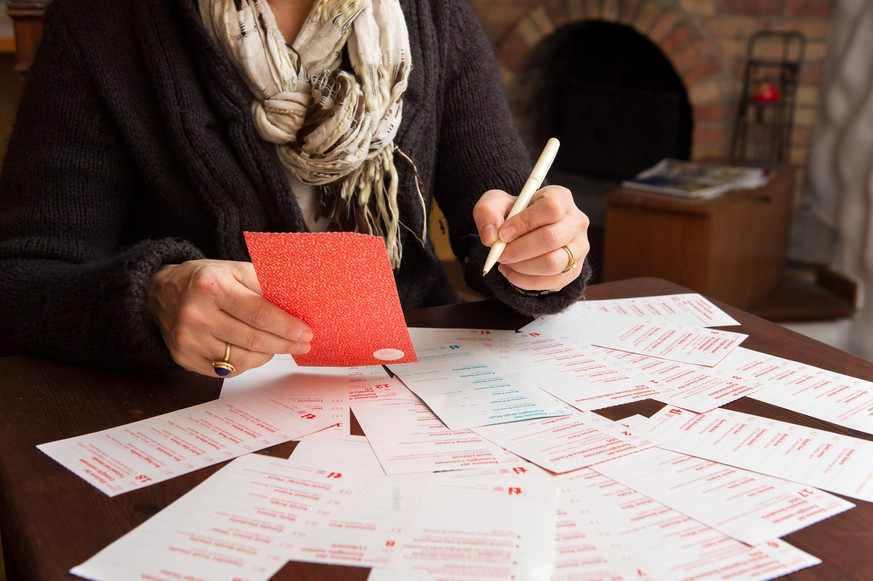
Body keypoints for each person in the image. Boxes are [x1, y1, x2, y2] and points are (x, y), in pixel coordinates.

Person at [0, 0, 591, 378]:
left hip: (416, 387)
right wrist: (152, 296)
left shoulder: (432, 15)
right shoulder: (100, 23)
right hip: (198, 413)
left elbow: (515, 213)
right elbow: (19, 281)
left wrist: (547, 252)